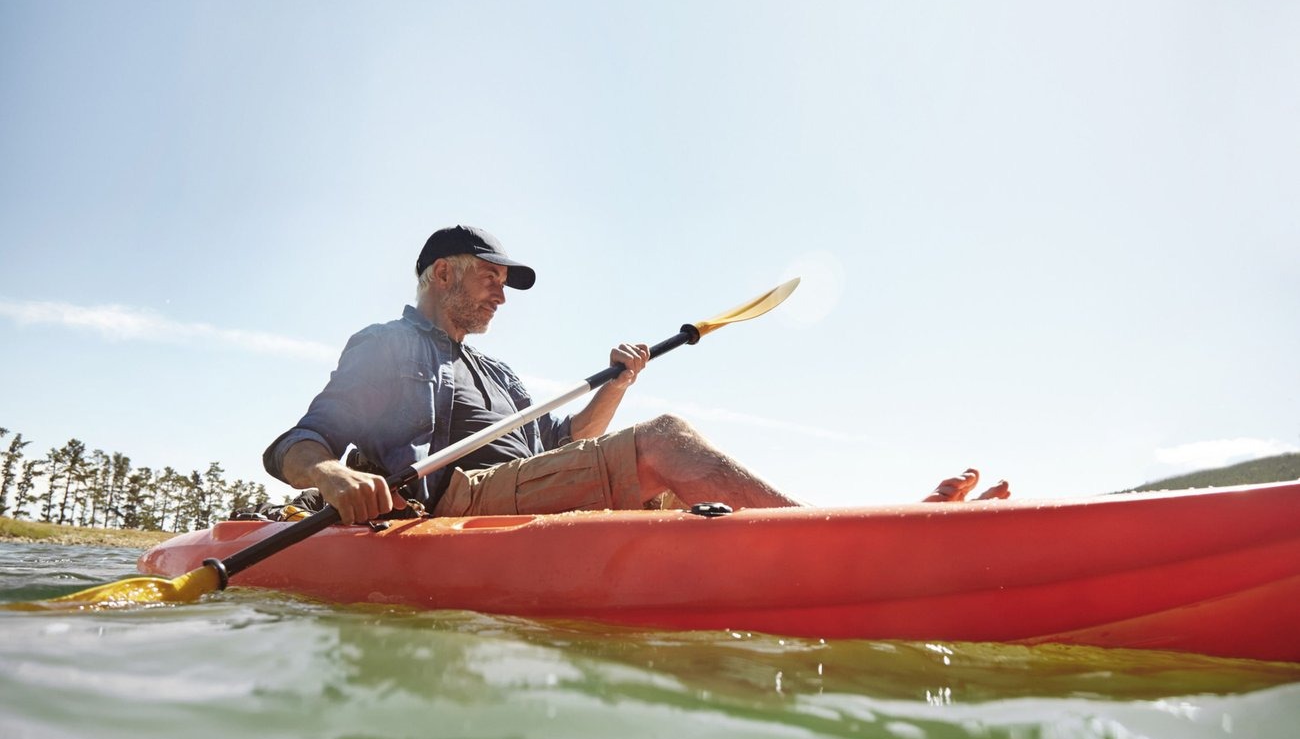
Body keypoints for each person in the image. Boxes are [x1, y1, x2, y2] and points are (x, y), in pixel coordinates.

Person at [264, 225, 1008, 523]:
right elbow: (300, 442)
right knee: (662, 441)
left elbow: (565, 442)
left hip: (524, 486)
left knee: (680, 498)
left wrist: (617, 387)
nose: (500, 293)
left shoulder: (495, 369)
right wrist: (331, 478)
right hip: (454, 500)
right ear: (443, 274)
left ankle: (848, 534)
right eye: (489, 279)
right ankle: (847, 540)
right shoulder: (392, 345)